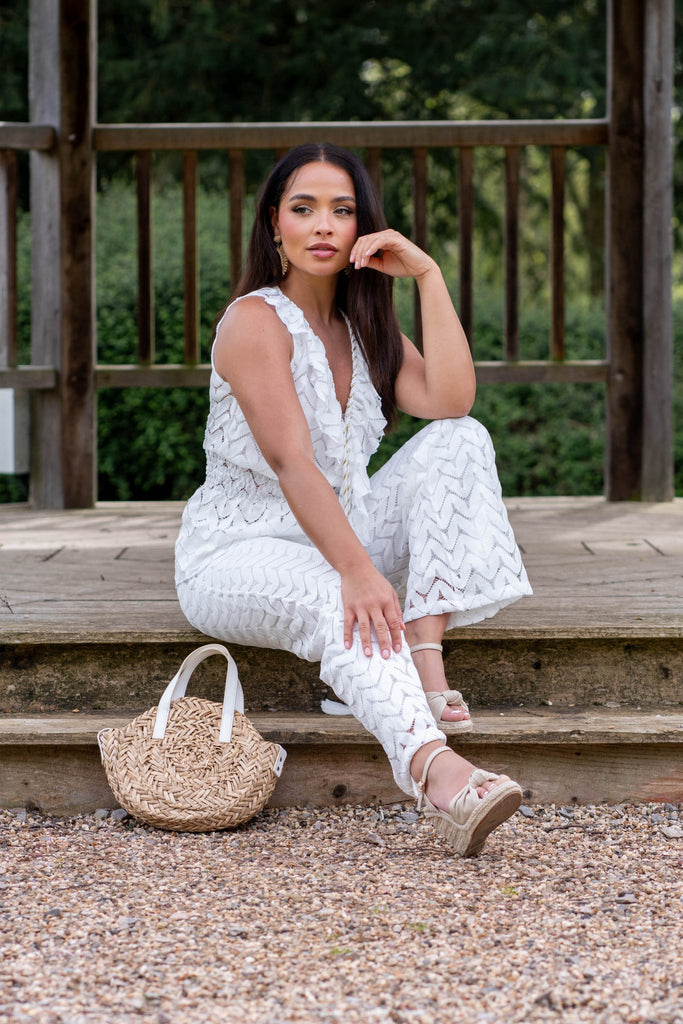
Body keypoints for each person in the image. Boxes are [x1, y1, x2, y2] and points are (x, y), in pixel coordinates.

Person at [175, 143, 532, 857]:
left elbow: (450, 400)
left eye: (341, 211)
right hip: (236, 554)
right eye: (302, 209)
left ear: (362, 228)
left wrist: (427, 275)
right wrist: (361, 572)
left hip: (339, 530)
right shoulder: (253, 322)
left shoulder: (363, 325)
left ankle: (423, 655)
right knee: (341, 598)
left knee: (458, 439)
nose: (322, 226)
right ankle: (439, 774)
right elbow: (290, 461)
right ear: (273, 223)